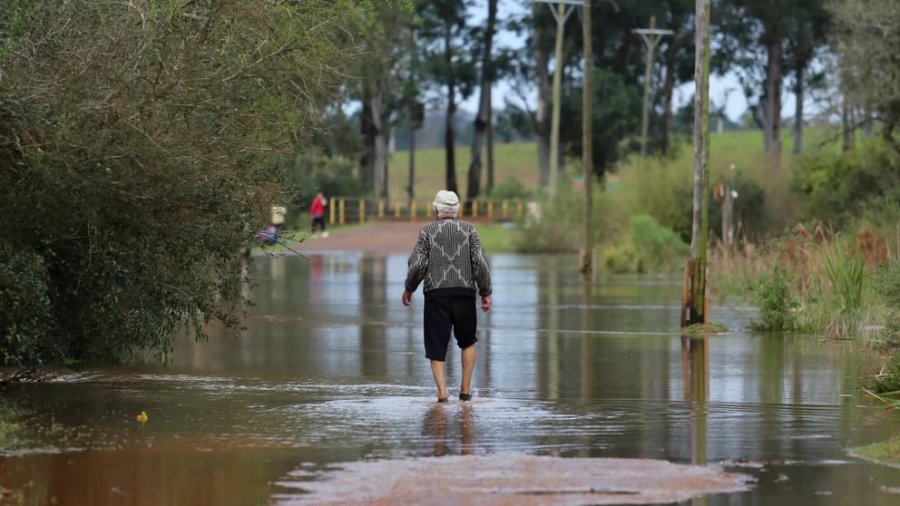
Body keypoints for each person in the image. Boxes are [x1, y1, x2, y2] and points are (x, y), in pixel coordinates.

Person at [402, 190, 492, 403]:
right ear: (456, 210)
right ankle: (465, 391)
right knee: (468, 341)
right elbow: (480, 262)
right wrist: (485, 291)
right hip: (465, 293)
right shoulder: (470, 230)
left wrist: (409, 288)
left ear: (436, 209)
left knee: (436, 345)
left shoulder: (427, 232)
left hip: (436, 295)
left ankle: (442, 395)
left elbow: (418, 265)